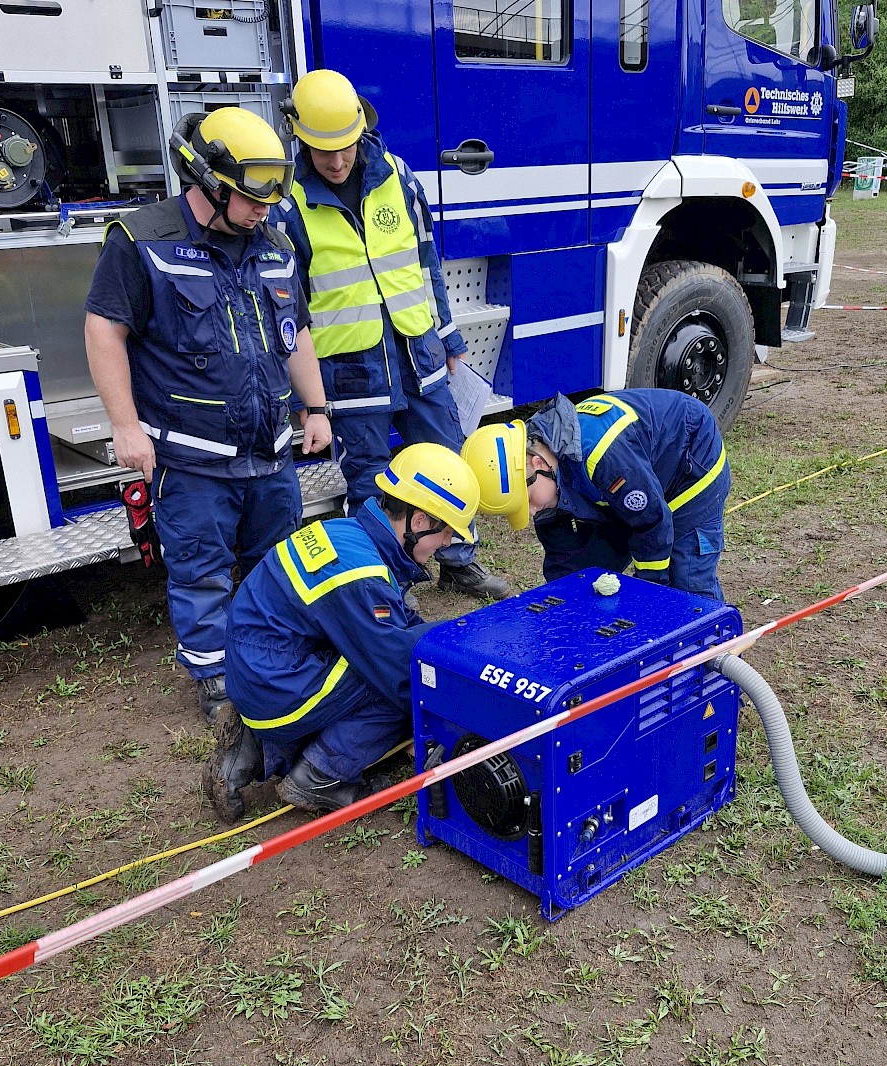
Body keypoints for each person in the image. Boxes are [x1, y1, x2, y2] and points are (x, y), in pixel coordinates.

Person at [84, 106, 333, 722]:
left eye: (271, 198)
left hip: (270, 451)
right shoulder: (143, 241)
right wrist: (124, 427)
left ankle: (272, 653)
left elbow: (295, 331)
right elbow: (103, 330)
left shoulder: (273, 243)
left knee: (279, 561)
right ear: (208, 182)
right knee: (201, 573)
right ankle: (217, 678)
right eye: (251, 198)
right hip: (192, 459)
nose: (265, 210)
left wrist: (316, 407)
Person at [271, 68, 508, 601]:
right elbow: (291, 311)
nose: (336, 161)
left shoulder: (397, 177)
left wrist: (448, 339)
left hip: (417, 353)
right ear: (300, 139)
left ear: (362, 130)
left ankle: (458, 561)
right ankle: (380, 583)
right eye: (322, 150)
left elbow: (426, 263)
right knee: (370, 481)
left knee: (447, 459)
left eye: (346, 146)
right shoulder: (288, 207)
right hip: (351, 373)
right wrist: (308, 400)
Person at [204, 442, 480, 819]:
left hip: (261, 669)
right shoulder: (360, 577)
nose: (447, 543)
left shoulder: (350, 534)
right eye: (446, 532)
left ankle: (255, 749)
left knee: (389, 659)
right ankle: (320, 777)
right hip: (275, 681)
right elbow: (396, 668)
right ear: (419, 522)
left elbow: (392, 626)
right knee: (406, 681)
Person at [462, 389, 730, 599]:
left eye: (527, 501)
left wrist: (650, 596)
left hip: (689, 461)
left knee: (686, 580)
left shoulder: (601, 456)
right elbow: (566, 564)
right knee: (586, 580)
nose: (530, 511)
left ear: (537, 465)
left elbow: (652, 523)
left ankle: (717, 654)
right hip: (636, 480)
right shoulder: (548, 474)